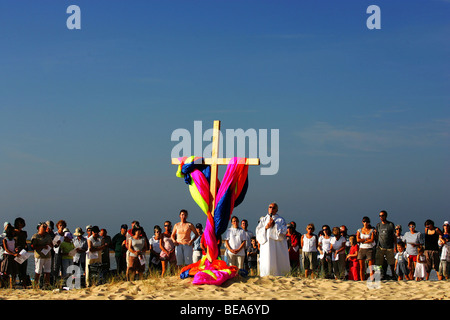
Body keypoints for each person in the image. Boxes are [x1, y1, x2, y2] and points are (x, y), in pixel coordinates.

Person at [255, 203, 290, 277]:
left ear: (276, 210)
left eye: (273, 208)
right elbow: (258, 231)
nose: (271, 209)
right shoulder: (263, 220)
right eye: (270, 207)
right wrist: (266, 227)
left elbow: (283, 232)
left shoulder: (280, 220)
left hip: (277, 246)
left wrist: (274, 225)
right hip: (266, 246)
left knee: (277, 262)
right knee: (267, 261)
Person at [31, 222, 53, 289]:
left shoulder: (48, 236)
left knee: (48, 271)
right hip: (39, 256)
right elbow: (33, 246)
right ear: (39, 228)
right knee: (38, 271)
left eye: (45, 227)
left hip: (48, 256)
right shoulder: (35, 236)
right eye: (43, 227)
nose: (45, 228)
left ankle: (47, 285)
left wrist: (50, 246)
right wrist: (42, 246)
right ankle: (35, 285)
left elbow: (52, 244)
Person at [375, 210, 397, 280]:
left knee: (391, 262)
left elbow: (394, 236)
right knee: (379, 262)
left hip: (389, 246)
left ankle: (393, 275)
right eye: (380, 216)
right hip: (380, 247)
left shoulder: (390, 224)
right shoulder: (378, 225)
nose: (381, 217)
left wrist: (395, 246)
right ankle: (380, 275)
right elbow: (377, 235)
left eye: (382, 215)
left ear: (386, 216)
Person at [356, 216, 376, 281]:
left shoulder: (371, 230)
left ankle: (372, 279)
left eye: (367, 222)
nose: (365, 223)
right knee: (362, 267)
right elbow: (358, 239)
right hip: (362, 248)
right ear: (362, 222)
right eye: (364, 221)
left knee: (371, 267)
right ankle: (362, 280)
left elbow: (372, 239)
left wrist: (365, 241)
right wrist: (365, 239)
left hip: (369, 248)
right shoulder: (359, 230)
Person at [0, 224, 19, 288]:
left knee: (14, 272)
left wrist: (16, 250)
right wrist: (13, 253)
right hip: (8, 256)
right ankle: (5, 284)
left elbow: (14, 247)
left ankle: (13, 285)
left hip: (13, 256)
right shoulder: (5, 240)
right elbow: (6, 249)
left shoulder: (14, 240)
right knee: (6, 272)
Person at [13, 217, 29, 288]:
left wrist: (26, 247)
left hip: (23, 251)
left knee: (23, 269)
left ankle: (24, 284)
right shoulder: (13, 232)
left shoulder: (24, 233)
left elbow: (25, 242)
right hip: (16, 252)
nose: (21, 225)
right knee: (15, 269)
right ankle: (13, 284)